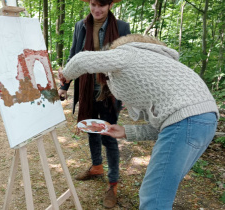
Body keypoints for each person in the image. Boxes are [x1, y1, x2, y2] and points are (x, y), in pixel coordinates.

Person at [59, 34, 219, 209]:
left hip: (188, 122)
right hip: (206, 121)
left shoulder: (127, 53)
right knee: (160, 192)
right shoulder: (158, 65)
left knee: (153, 199)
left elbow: (82, 60)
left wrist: (65, 75)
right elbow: (167, 127)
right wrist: (126, 131)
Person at [58, 0, 130, 208]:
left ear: (109, 6)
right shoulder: (81, 25)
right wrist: (65, 85)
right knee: (91, 129)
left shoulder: (122, 27)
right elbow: (74, 55)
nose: (97, 10)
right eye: (93, 4)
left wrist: (126, 93)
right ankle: (97, 166)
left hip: (110, 90)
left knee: (108, 135)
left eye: (102, 5)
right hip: (87, 87)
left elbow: (126, 60)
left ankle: (113, 182)